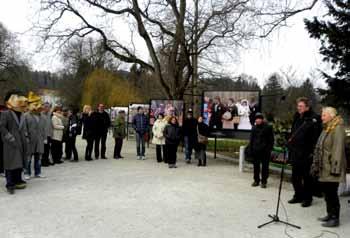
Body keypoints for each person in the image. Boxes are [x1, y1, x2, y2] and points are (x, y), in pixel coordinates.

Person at [311, 107, 347, 228]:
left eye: (324, 115)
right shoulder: (327, 127)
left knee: (332, 193)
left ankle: (335, 218)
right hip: (324, 167)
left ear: (331, 115)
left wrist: (335, 169)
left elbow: (338, 150)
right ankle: (329, 214)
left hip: (332, 168)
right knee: (327, 192)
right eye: (322, 115)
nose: (322, 117)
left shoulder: (338, 128)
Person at [287, 97, 322, 207]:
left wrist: (311, 152)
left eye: (301, 106)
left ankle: (307, 198)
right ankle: (298, 195)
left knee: (307, 178)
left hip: (306, 153)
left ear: (307, 107)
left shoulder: (314, 118)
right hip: (295, 152)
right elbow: (294, 131)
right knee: (295, 177)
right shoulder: (297, 116)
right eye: (298, 106)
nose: (299, 108)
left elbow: (316, 137)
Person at [0, 90, 28, 194]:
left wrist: (26, 137)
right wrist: (9, 137)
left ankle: (18, 180)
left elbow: (23, 128)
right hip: (10, 143)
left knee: (19, 162)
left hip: (21, 142)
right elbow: (2, 127)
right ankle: (9, 184)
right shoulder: (5, 113)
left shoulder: (22, 114)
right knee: (10, 163)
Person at [23, 92, 46, 180]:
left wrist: (44, 138)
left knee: (39, 158)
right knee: (28, 158)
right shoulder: (25, 116)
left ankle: (38, 172)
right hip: (30, 140)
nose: (38, 106)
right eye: (35, 104)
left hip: (39, 140)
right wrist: (26, 138)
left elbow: (43, 129)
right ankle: (27, 173)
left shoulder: (42, 117)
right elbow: (24, 129)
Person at [249, 113, 274, 188]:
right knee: (256, 166)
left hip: (265, 151)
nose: (257, 120)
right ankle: (256, 180)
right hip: (256, 150)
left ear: (262, 119)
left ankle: (264, 181)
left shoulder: (268, 127)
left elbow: (271, 140)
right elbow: (251, 139)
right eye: (256, 119)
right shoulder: (254, 128)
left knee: (265, 167)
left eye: (259, 118)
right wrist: (251, 148)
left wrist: (268, 149)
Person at [41, 102, 53, 167]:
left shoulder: (49, 114)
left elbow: (50, 125)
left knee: (48, 148)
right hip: (43, 135)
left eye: (49, 107)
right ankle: (43, 161)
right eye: (47, 107)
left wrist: (51, 134)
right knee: (44, 149)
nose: (48, 108)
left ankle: (47, 160)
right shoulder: (41, 114)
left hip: (49, 134)